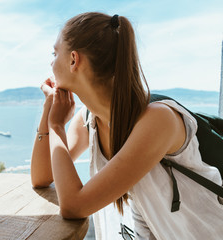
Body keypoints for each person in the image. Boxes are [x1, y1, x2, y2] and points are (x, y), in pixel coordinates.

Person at [30, 12, 223, 240]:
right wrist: (49, 110)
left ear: (73, 59)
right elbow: (42, 177)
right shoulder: (88, 121)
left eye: (55, 53)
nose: (51, 63)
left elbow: (74, 206)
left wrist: (56, 126)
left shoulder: (158, 120)